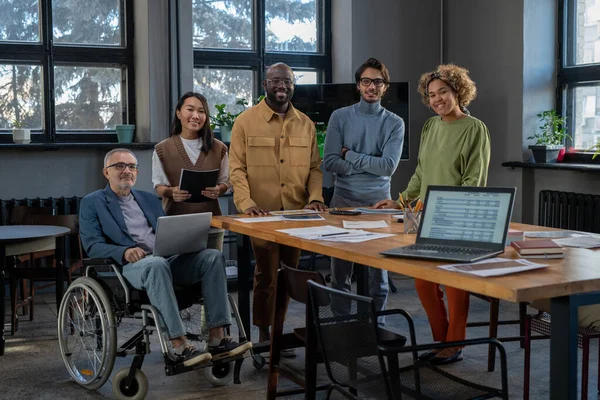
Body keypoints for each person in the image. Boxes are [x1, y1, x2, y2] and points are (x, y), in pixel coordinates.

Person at [79, 148, 252, 367]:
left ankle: (217, 338)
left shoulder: (149, 199)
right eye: (119, 166)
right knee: (156, 264)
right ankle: (179, 344)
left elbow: (165, 232)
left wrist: (185, 239)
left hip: (165, 258)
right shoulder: (92, 202)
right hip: (127, 267)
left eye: (132, 166)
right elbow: (92, 246)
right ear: (106, 172)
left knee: (212, 257)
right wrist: (123, 251)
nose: (126, 171)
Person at [374, 64, 491, 365]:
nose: (437, 99)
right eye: (432, 95)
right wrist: (400, 201)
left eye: (443, 92)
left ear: (458, 92)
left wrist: (443, 207)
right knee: (424, 282)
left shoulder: (474, 129)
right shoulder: (430, 126)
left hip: (457, 217)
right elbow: (421, 173)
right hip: (426, 218)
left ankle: (455, 345)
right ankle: (442, 342)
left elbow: (473, 180)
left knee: (454, 283)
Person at [229, 63, 326, 346]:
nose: (281, 86)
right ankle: (263, 333)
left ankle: (278, 330)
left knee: (287, 275)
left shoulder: (306, 124)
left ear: (294, 85)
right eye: (276, 81)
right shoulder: (245, 122)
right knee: (266, 274)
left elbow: (315, 169)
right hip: (262, 214)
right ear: (265, 85)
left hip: (296, 215)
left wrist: (316, 198)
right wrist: (246, 204)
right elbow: (237, 169)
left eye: (287, 81)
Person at [323, 57, 405, 323]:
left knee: (377, 276)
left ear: (385, 87)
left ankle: (375, 327)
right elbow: (330, 161)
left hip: (378, 206)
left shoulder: (395, 123)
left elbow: (388, 167)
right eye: (366, 81)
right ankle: (341, 328)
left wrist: (352, 156)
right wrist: (369, 163)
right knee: (339, 275)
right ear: (358, 85)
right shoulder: (340, 117)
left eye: (377, 82)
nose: (372, 86)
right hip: (342, 202)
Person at [152, 92, 229, 250]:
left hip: (211, 224)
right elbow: (158, 186)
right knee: (179, 272)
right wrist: (172, 192)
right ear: (179, 113)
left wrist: (219, 190)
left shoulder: (219, 148)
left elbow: (227, 181)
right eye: (190, 109)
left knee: (211, 267)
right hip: (176, 224)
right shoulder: (162, 149)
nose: (196, 116)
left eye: (201, 111)